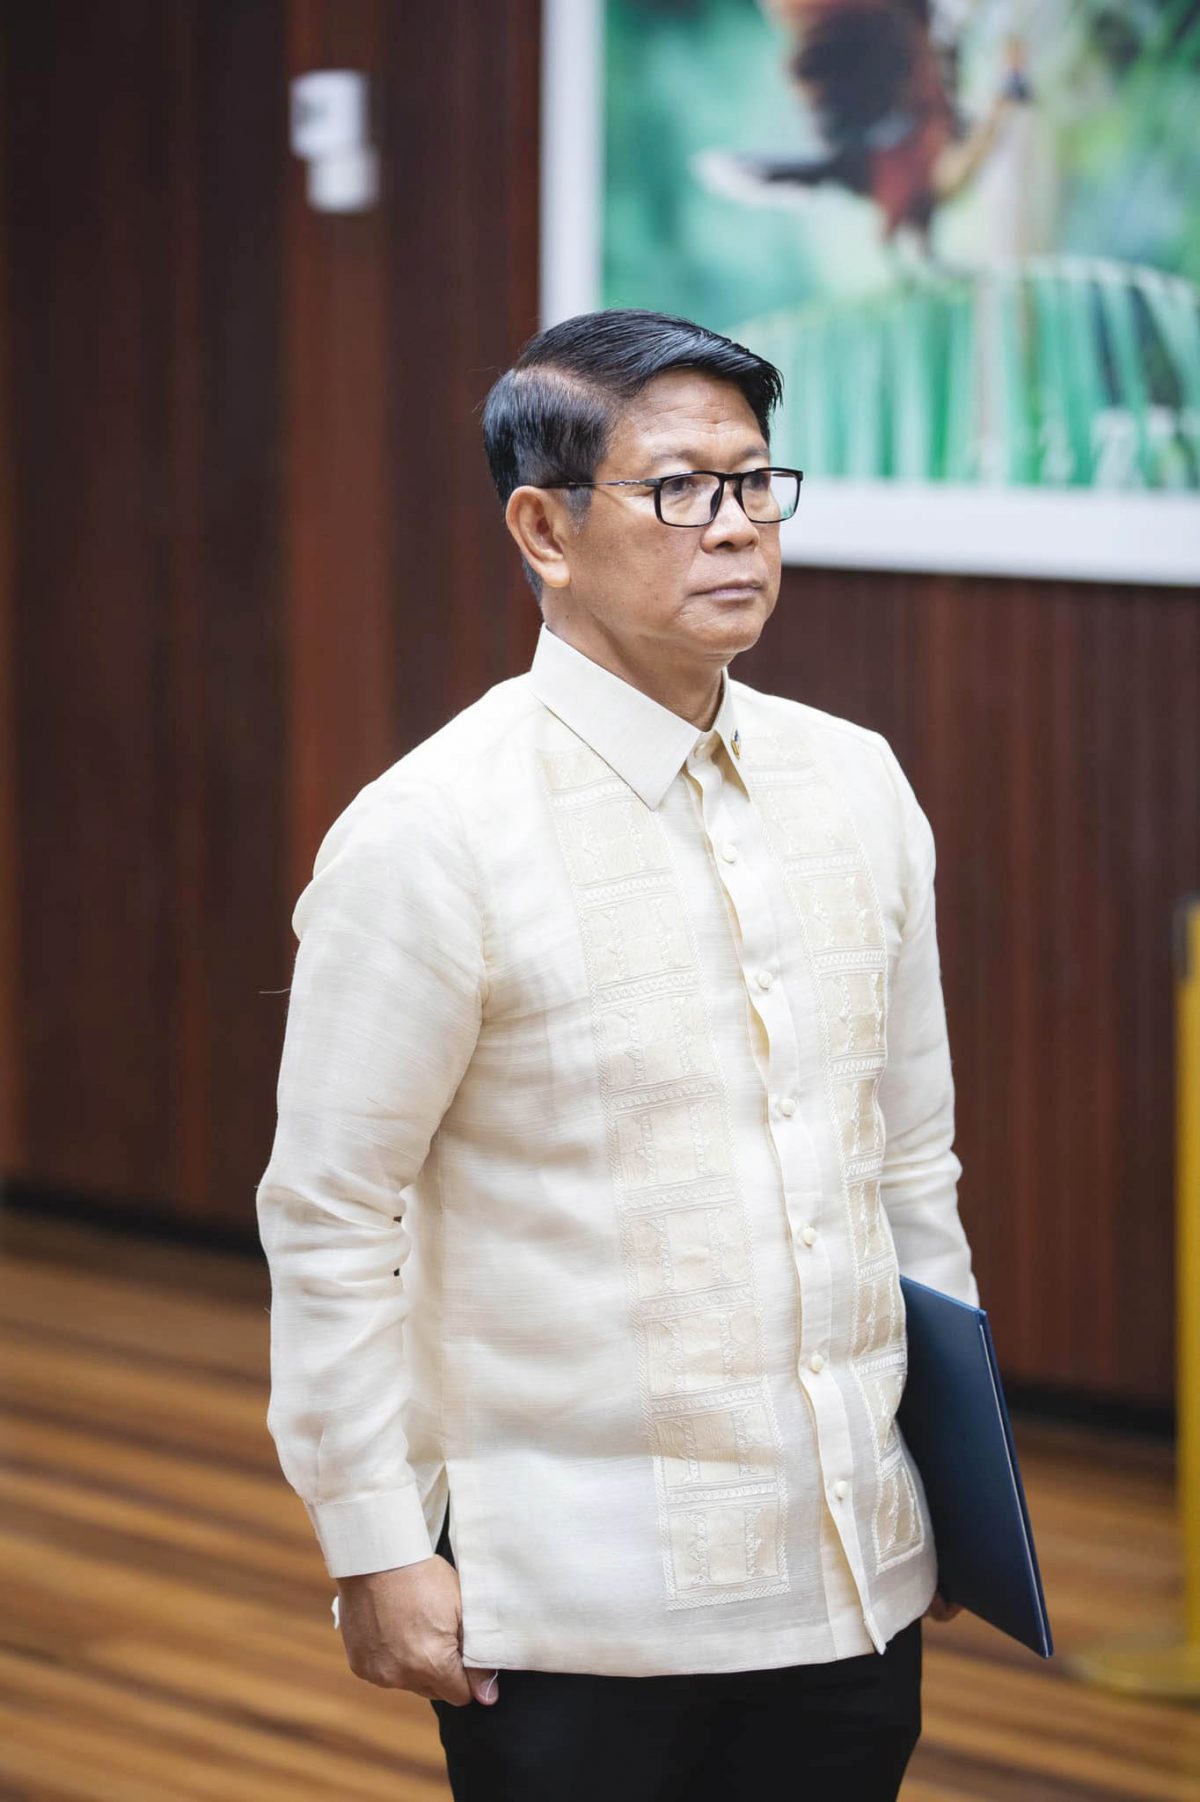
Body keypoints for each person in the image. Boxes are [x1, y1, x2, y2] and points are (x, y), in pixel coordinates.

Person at [255, 306, 977, 1801]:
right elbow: (330, 1214)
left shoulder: (858, 785)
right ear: (545, 527)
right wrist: (375, 1541)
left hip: (849, 1583)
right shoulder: (431, 834)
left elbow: (909, 1164)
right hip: (571, 1621)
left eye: (756, 481)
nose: (735, 528)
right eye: (680, 488)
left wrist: (957, 1488)